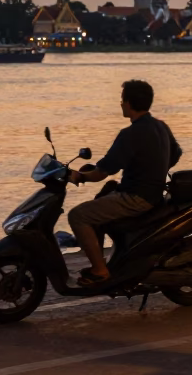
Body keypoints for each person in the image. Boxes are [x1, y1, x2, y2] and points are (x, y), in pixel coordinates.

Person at [67, 80, 182, 286]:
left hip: (136, 198)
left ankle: (100, 271)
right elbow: (176, 154)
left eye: (122, 100)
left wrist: (80, 176)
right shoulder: (160, 126)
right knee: (103, 197)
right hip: (153, 194)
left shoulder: (130, 134)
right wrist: (154, 168)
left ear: (129, 103)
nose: (120, 104)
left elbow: (103, 171)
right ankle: (111, 259)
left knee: (78, 215)